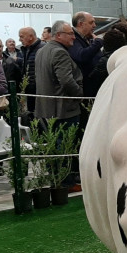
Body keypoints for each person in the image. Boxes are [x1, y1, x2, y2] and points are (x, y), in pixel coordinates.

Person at [34, 20, 83, 188]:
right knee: (65, 147)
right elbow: (66, 81)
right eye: (70, 34)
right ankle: (67, 183)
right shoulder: (59, 52)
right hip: (63, 110)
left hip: (46, 109)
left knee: (53, 147)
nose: (74, 37)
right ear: (59, 35)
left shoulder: (42, 51)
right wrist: (80, 93)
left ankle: (58, 181)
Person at [68, 11, 104, 97]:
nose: (94, 25)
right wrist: (98, 43)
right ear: (81, 24)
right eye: (91, 22)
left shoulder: (87, 38)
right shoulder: (73, 39)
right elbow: (82, 56)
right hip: (84, 88)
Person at [86, 28, 127, 98]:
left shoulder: (104, 61)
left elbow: (93, 82)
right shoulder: (126, 57)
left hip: (105, 96)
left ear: (105, 44)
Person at [18, 27, 44, 120]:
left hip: (40, 91)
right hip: (30, 91)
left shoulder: (42, 48)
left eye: (21, 37)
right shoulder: (26, 49)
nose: (19, 39)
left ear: (30, 36)